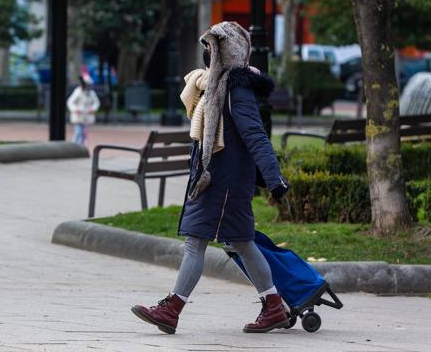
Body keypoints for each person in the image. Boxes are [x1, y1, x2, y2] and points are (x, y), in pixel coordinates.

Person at [131, 21, 290, 334]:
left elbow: (256, 135)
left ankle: (172, 310)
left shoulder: (235, 88)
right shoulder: (212, 85)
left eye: (212, 47)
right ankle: (274, 307)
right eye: (206, 47)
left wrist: (275, 179)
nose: (207, 52)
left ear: (225, 51)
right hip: (217, 177)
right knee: (242, 244)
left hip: (223, 181)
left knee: (195, 243)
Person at [67, 74, 100, 146]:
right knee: (78, 132)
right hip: (78, 115)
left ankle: (82, 146)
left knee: (84, 133)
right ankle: (74, 146)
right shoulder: (78, 92)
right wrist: (75, 109)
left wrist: (93, 109)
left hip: (87, 116)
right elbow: (70, 102)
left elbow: (96, 102)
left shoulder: (91, 93)